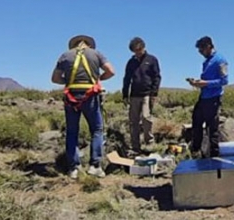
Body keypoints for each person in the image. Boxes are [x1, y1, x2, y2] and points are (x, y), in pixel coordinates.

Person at [51, 34, 115, 179]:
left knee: (72, 131)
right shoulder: (96, 54)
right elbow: (111, 71)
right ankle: (95, 166)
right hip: (90, 96)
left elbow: (54, 78)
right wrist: (98, 79)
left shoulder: (65, 55)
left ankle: (74, 168)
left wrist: (68, 81)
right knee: (97, 130)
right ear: (89, 45)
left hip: (71, 98)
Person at [187, 36, 229, 158]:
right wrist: (197, 83)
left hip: (213, 98)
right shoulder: (206, 62)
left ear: (209, 47)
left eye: (201, 50)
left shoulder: (220, 60)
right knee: (196, 122)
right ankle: (196, 151)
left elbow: (224, 80)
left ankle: (215, 156)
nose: (200, 53)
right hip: (203, 97)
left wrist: (206, 83)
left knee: (212, 128)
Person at [122, 37, 162, 157]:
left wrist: (154, 93)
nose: (138, 52)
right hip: (134, 94)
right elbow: (127, 78)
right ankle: (135, 147)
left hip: (147, 94)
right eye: (135, 50)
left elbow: (157, 77)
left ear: (143, 47)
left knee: (146, 118)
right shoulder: (131, 62)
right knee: (133, 121)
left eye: (139, 49)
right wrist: (125, 94)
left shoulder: (152, 60)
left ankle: (149, 142)